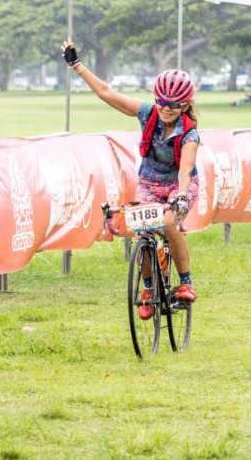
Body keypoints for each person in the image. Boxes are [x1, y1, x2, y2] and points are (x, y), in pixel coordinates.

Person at [62, 38, 199, 318]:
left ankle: (185, 283)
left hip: (179, 185)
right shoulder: (148, 113)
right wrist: (77, 66)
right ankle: (148, 289)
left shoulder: (189, 134)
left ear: (185, 106)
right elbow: (107, 93)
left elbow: (185, 171)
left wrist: (183, 198)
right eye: (162, 101)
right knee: (144, 230)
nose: (166, 108)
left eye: (174, 104)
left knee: (169, 223)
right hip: (149, 183)